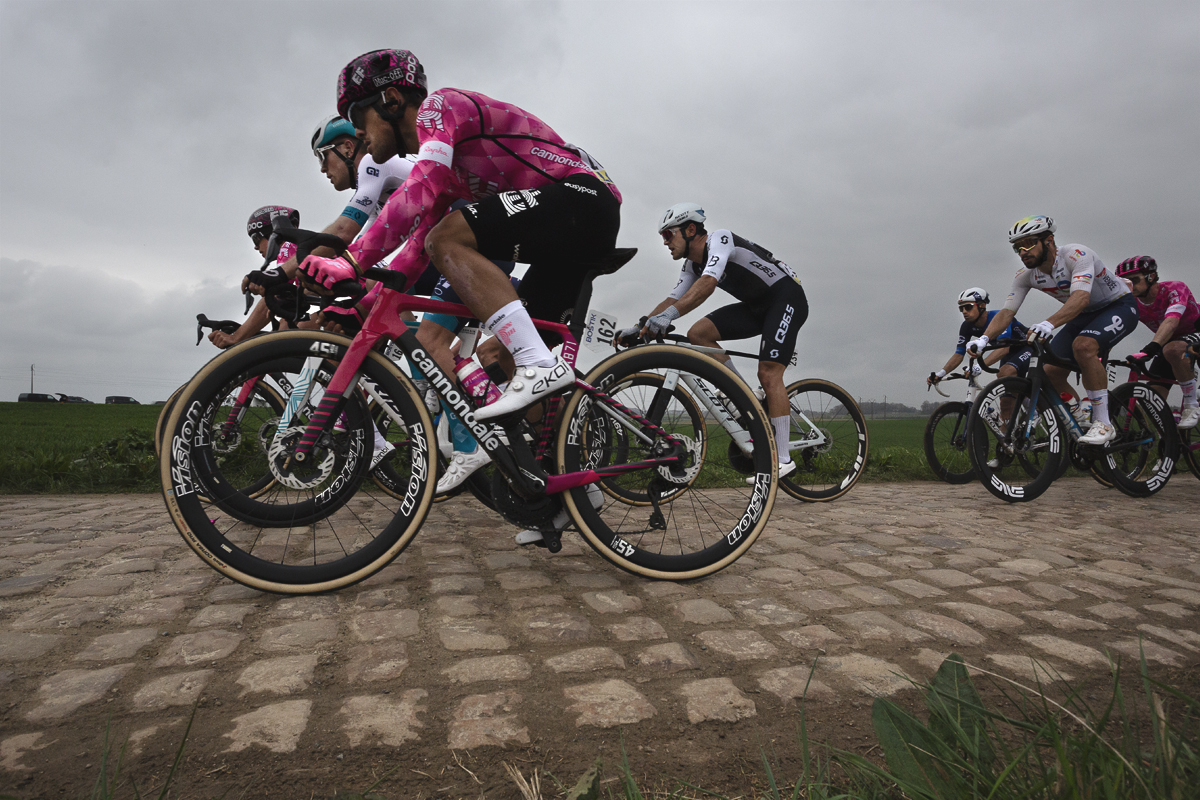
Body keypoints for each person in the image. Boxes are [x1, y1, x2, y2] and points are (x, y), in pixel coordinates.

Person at [298, 48, 622, 424]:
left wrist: (350, 261)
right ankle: (563, 470)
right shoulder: (448, 168)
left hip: (584, 198)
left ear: (390, 99)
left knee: (448, 237)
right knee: (504, 358)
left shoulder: (440, 107)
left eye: (357, 116)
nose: (356, 132)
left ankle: (537, 364)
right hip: (569, 234)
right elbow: (416, 250)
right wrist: (363, 306)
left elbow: (416, 196)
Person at [616, 203, 807, 478]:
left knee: (768, 373)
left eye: (668, 235)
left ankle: (783, 458)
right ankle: (746, 396)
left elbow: (707, 284)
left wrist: (669, 316)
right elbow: (673, 299)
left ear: (690, 229)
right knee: (699, 334)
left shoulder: (720, 239)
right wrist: (640, 326)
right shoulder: (691, 265)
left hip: (786, 298)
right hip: (757, 306)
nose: (665, 242)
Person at [967, 216, 1137, 446]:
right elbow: (1007, 313)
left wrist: (1048, 324)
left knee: (1083, 346)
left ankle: (1104, 422)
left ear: (1049, 240)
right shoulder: (1026, 276)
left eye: (1028, 243)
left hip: (1118, 305)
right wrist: (985, 339)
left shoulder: (1076, 255)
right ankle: (1080, 418)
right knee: (1049, 371)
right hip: (1084, 315)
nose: (1022, 251)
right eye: (1018, 247)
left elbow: (1080, 297)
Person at [1115, 256, 1199, 429]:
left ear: (1150, 277)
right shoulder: (1133, 302)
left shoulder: (1175, 288)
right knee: (1152, 399)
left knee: (1173, 349)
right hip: (1170, 340)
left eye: (1134, 280)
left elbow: (1171, 321)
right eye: (1124, 283)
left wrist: (1150, 349)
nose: (1129, 286)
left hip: (1195, 330)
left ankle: (1191, 406)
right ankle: (1170, 440)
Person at [209, 205, 301, 348]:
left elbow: (274, 295)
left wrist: (236, 337)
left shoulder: (287, 246)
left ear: (273, 234)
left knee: (281, 338)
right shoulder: (295, 248)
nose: (255, 247)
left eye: (255, 238)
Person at [927, 287, 1032, 388]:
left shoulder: (997, 317)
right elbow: (959, 354)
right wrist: (941, 373)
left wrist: (978, 367)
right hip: (1009, 355)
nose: (964, 311)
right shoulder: (967, 326)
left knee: (1005, 372)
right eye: (961, 308)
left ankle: (1036, 402)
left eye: (968, 307)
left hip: (1027, 348)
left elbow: (1003, 349)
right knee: (1006, 402)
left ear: (982, 305)